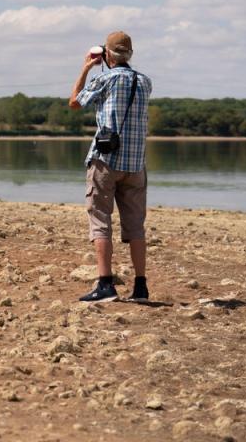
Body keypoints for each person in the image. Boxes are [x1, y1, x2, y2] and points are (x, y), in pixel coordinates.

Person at [68, 31, 152, 303]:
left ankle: (105, 285)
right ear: (130, 54)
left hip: (106, 161)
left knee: (101, 221)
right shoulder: (145, 82)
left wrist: (86, 67)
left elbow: (75, 102)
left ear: (107, 55)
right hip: (136, 164)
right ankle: (141, 287)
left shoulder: (105, 78)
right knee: (136, 226)